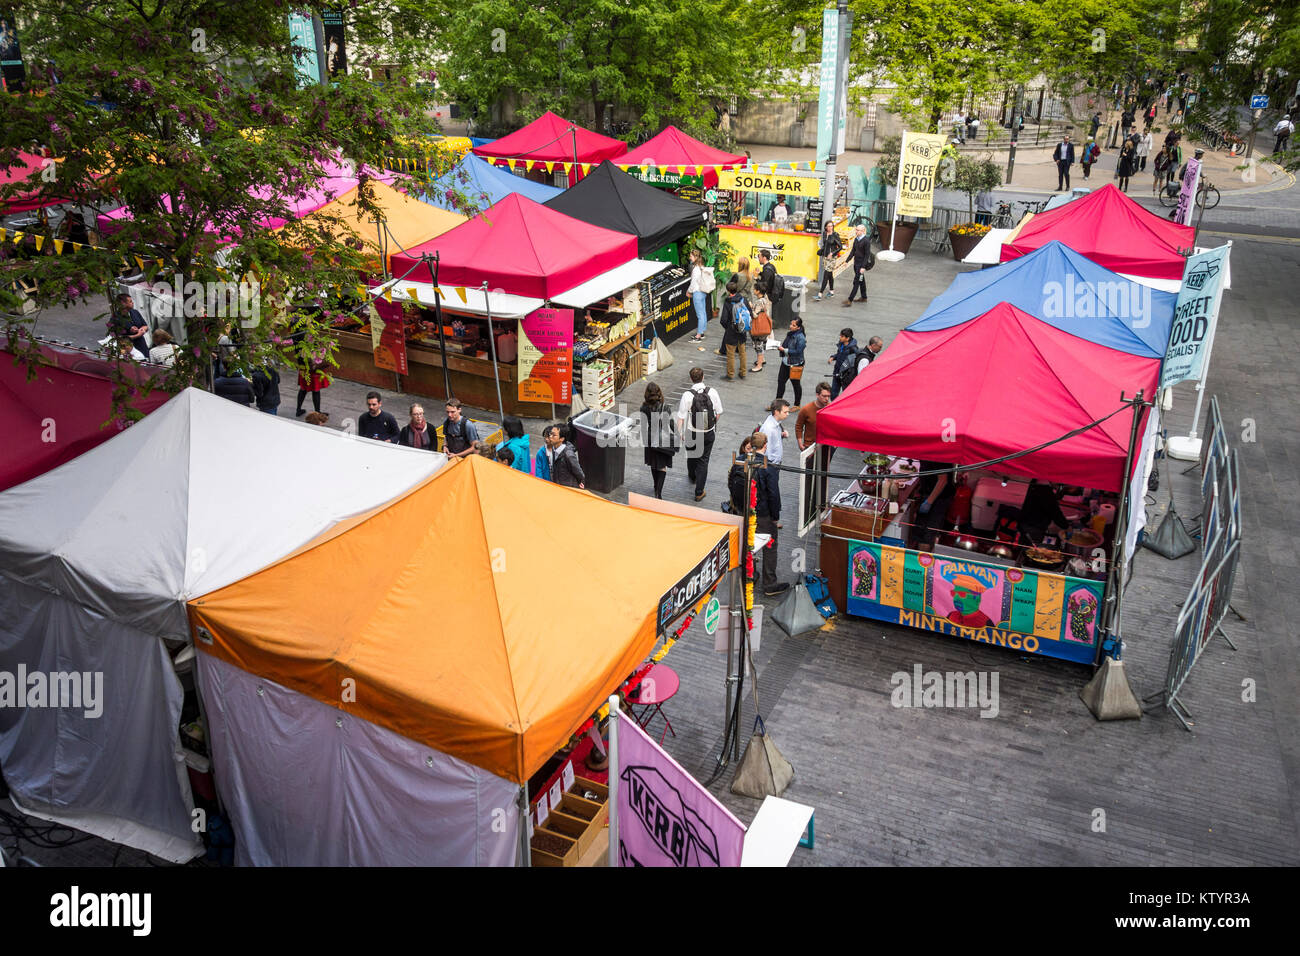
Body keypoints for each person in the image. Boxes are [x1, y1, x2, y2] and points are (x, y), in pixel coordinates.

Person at [748, 432, 789, 596]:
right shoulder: (768, 467)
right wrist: (775, 516)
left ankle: (750, 575)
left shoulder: (742, 460)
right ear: (765, 445)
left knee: (749, 543)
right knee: (770, 545)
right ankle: (769, 583)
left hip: (746, 510)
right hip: (763, 512)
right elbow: (773, 494)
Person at [676, 365, 723, 501]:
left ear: (691, 379)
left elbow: (681, 417)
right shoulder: (712, 392)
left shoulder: (687, 395)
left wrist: (680, 433)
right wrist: (712, 422)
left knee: (691, 455)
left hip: (692, 431)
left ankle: (692, 476)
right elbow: (719, 412)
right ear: (703, 377)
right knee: (703, 461)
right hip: (708, 432)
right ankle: (699, 492)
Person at [639, 381, 677, 499]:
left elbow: (643, 426)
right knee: (662, 466)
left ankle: (656, 486)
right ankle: (658, 493)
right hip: (663, 439)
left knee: (653, 464)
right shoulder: (665, 407)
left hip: (650, 439)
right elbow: (671, 423)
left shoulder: (644, 408)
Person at [758, 398, 791, 527]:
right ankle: (773, 519)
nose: (788, 414)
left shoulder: (774, 424)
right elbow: (765, 449)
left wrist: (781, 435)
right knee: (772, 493)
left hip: (773, 464)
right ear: (777, 412)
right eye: (785, 412)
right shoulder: (769, 428)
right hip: (770, 465)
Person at [912, 460, 957, 545]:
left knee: (928, 534)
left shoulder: (937, 456)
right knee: (919, 530)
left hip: (939, 498)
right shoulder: (926, 450)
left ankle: (925, 554)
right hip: (928, 493)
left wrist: (929, 502)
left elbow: (943, 480)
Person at [1015, 478, 1071, 544]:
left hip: (1027, 524)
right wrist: (1066, 526)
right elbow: (1055, 512)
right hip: (1033, 527)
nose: (1058, 487)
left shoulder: (1036, 485)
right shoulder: (1044, 490)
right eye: (1060, 484)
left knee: (1024, 546)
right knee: (1030, 549)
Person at [719, 276, 749, 380]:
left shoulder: (728, 302)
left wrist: (728, 328)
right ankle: (743, 372)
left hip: (731, 332)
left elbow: (723, 319)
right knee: (742, 353)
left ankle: (730, 374)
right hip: (742, 330)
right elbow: (748, 313)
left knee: (730, 354)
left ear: (728, 291)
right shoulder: (743, 299)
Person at [774, 315, 806, 406]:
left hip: (795, 364)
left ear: (798, 327)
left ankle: (797, 405)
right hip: (785, 362)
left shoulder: (801, 338)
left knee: (796, 384)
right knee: (781, 383)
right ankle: (777, 404)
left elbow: (798, 351)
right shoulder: (791, 334)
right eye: (791, 324)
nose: (791, 326)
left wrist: (784, 350)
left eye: (794, 325)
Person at [542, 424, 585, 488]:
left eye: (554, 435)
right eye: (550, 434)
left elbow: (579, 473)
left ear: (561, 439)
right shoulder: (554, 448)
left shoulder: (568, 455)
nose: (550, 436)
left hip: (568, 489)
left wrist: (580, 482)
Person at [109, 293, 150, 359]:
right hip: (128, 350)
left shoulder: (135, 312)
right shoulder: (116, 319)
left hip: (142, 346)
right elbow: (117, 338)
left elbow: (145, 326)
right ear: (123, 303)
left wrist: (141, 330)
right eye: (130, 301)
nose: (132, 303)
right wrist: (137, 335)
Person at [813, 221, 843, 301]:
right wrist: (822, 250)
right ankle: (831, 291)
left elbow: (840, 247)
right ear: (826, 227)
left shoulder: (835, 235)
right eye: (828, 226)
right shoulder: (824, 234)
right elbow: (825, 245)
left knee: (826, 275)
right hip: (825, 257)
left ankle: (820, 294)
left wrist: (832, 253)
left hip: (832, 258)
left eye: (831, 226)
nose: (830, 228)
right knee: (830, 274)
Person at [828, 327, 858, 399]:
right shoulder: (841, 344)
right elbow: (839, 354)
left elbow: (855, 361)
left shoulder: (853, 349)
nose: (840, 337)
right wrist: (833, 357)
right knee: (833, 394)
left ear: (847, 338)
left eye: (842, 336)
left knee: (846, 395)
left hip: (846, 375)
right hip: (837, 372)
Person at [687, 247, 710, 342]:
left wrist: (689, 291)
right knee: (703, 313)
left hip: (697, 292)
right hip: (703, 291)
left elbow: (693, 282)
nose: (690, 257)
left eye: (691, 256)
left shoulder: (696, 269)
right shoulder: (702, 267)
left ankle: (698, 336)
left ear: (695, 257)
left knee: (700, 314)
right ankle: (702, 332)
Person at [845, 224, 871, 306]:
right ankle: (864, 297)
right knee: (861, 280)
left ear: (863, 231)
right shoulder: (856, 239)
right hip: (856, 263)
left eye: (858, 230)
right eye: (856, 229)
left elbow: (867, 255)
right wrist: (847, 261)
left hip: (861, 265)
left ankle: (850, 300)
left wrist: (863, 267)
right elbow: (853, 251)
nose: (856, 231)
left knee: (857, 281)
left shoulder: (866, 241)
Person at [750, 282, 773, 373]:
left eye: (754, 289)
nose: (753, 290)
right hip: (765, 325)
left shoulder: (759, 302)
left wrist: (750, 307)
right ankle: (761, 360)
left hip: (759, 327)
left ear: (758, 291)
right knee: (762, 344)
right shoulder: (765, 299)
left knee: (758, 345)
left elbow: (755, 315)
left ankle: (759, 365)